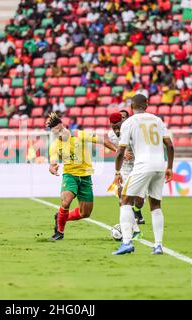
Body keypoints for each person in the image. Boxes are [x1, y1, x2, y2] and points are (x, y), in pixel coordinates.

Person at [113, 94, 174, 255]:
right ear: (146, 105)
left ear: (131, 105)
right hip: (160, 165)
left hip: (142, 165)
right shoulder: (157, 120)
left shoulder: (130, 122)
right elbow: (170, 145)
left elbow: (120, 151)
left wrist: (117, 171)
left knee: (124, 200)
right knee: (155, 205)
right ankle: (158, 245)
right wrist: (170, 167)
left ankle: (126, 242)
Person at [47, 112, 117, 241]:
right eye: (55, 133)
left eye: (58, 131)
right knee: (66, 201)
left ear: (62, 126)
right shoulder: (55, 145)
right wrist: (52, 168)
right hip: (70, 175)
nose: (58, 135)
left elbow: (103, 141)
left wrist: (117, 151)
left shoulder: (80, 134)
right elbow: (53, 162)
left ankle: (61, 217)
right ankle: (59, 232)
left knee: (85, 213)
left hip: (85, 176)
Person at [108, 112, 145, 231]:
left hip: (137, 165)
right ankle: (128, 225)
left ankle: (137, 211)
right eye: (114, 127)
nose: (117, 129)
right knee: (122, 194)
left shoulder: (133, 131)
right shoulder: (111, 135)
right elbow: (108, 143)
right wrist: (120, 152)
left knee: (139, 201)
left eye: (118, 126)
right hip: (124, 167)